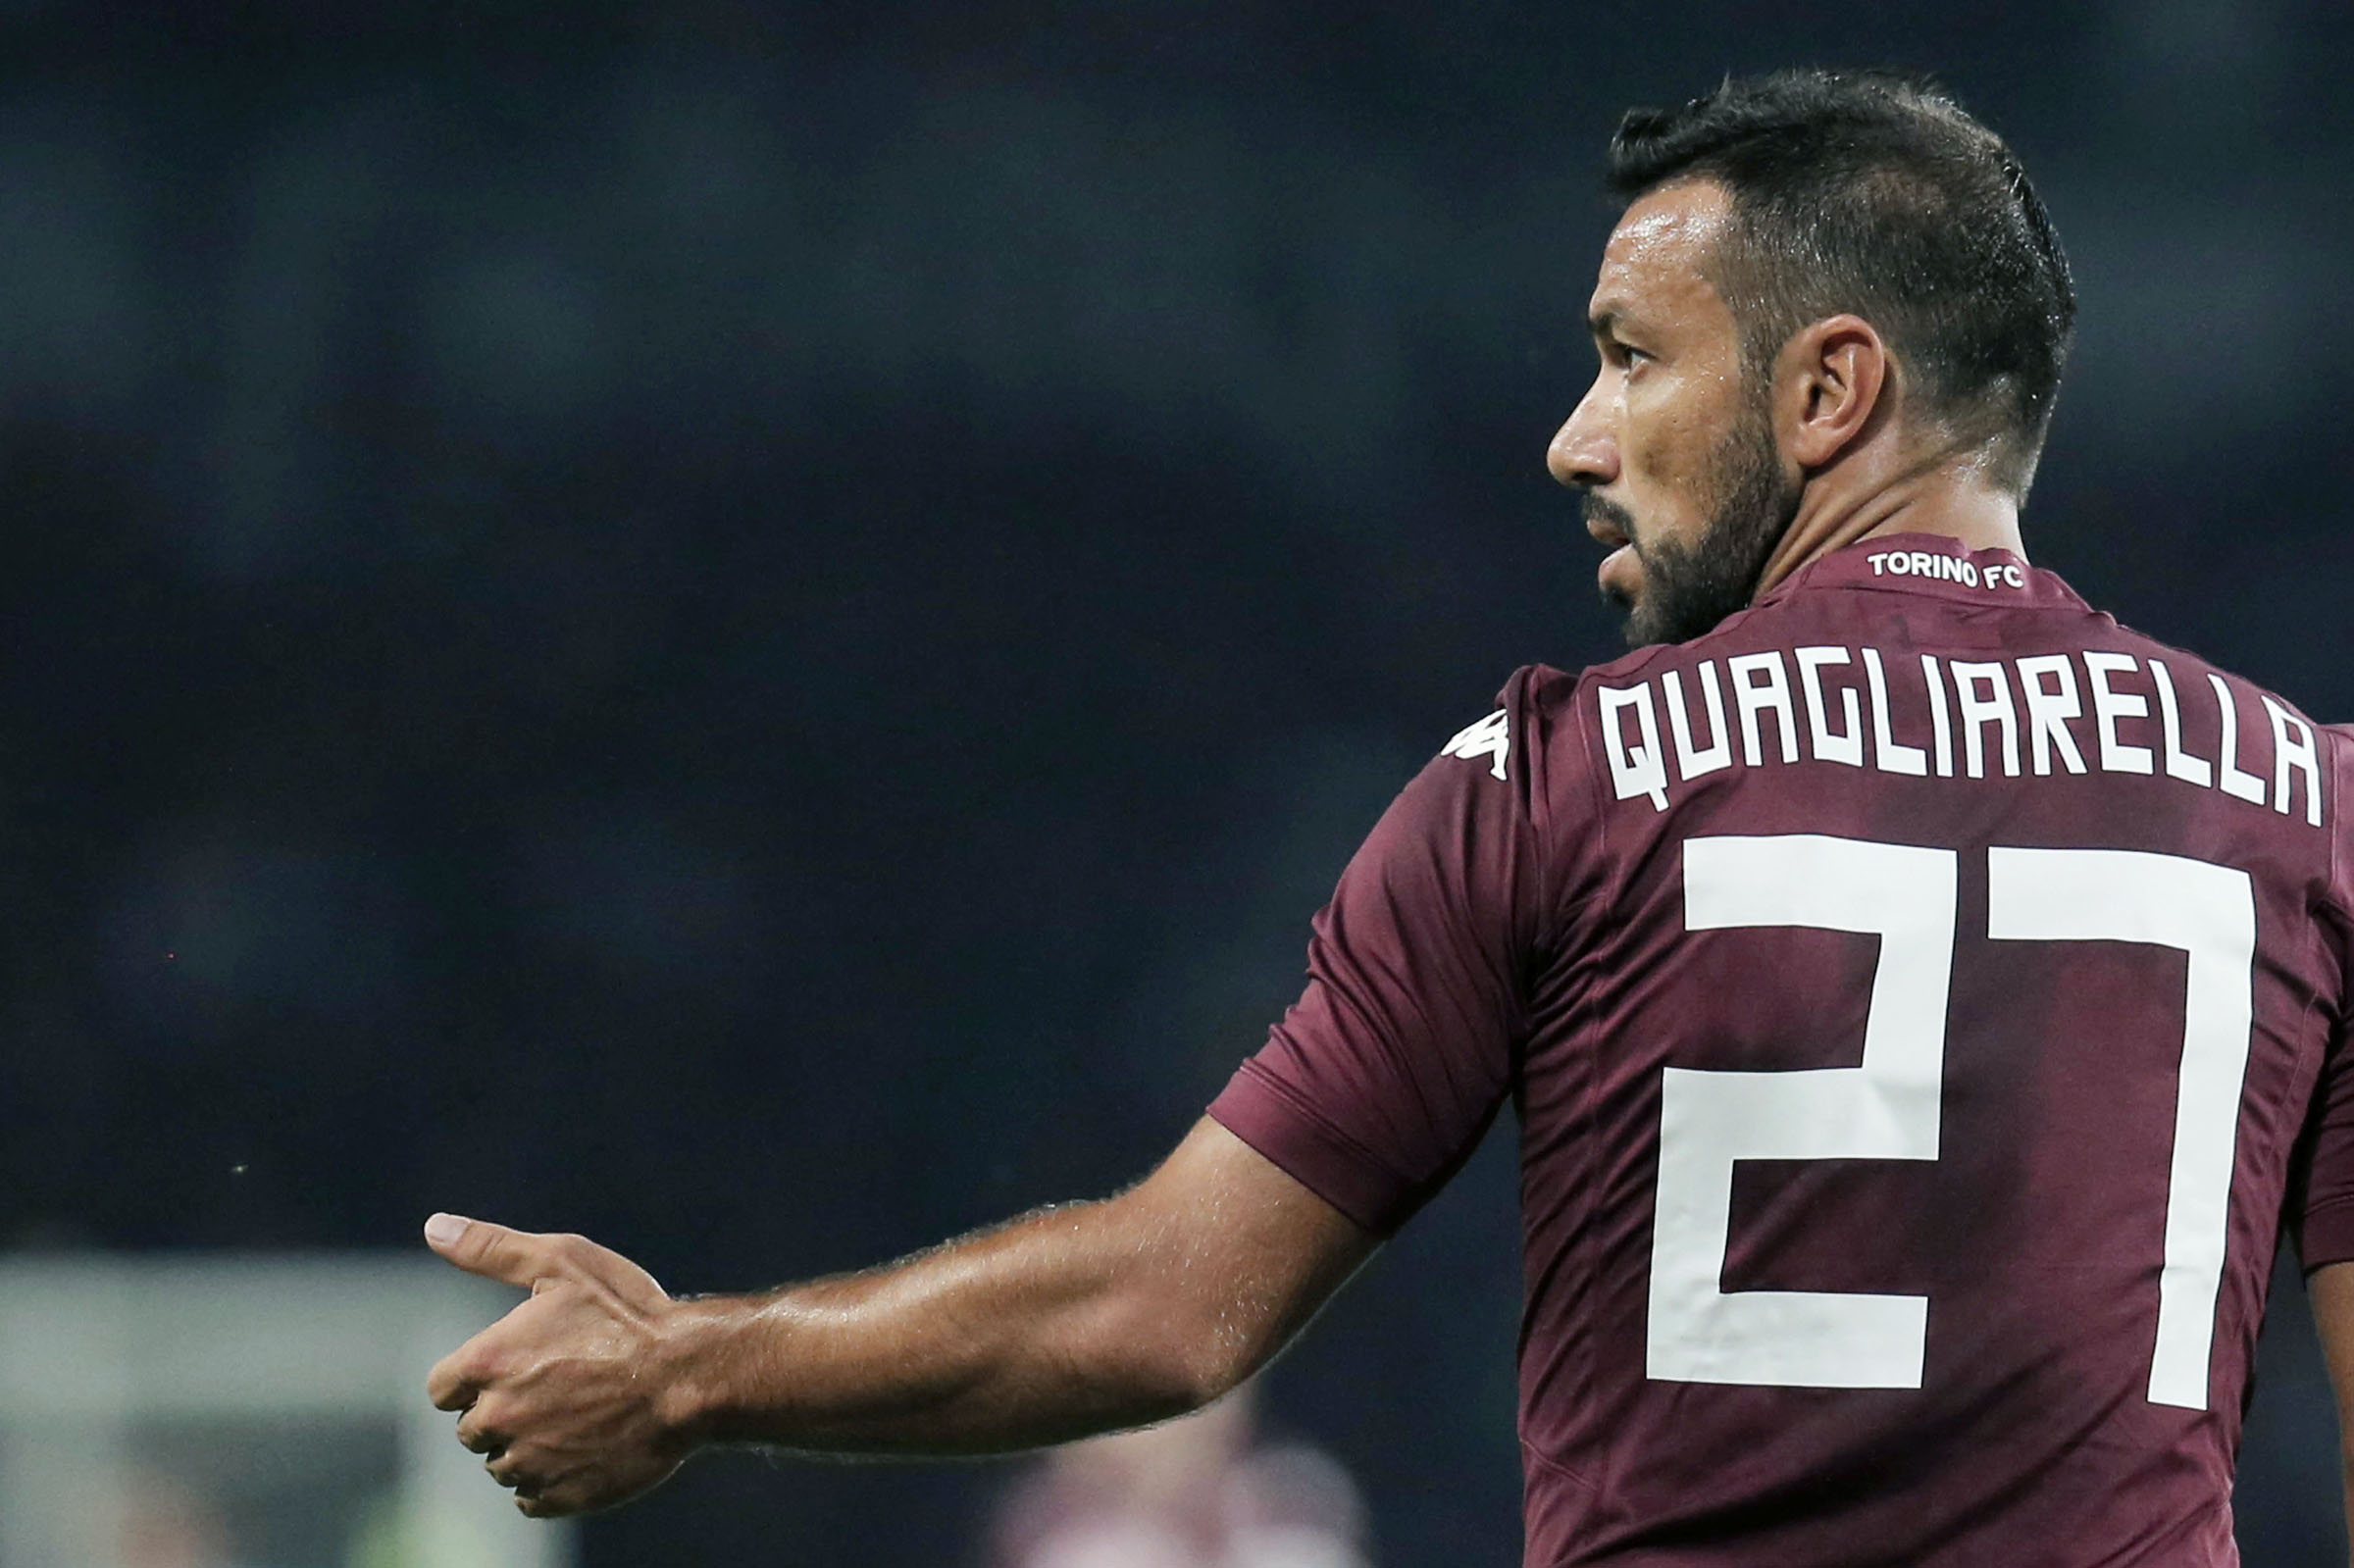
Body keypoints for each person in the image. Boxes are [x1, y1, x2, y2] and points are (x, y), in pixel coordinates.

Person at [422, 69, 2354, 1563]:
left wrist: (692, 1367)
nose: (1576, 438)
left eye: (1632, 355)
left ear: (1830, 388)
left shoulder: (1560, 779)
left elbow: (1171, 1305)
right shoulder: (2312, 809)